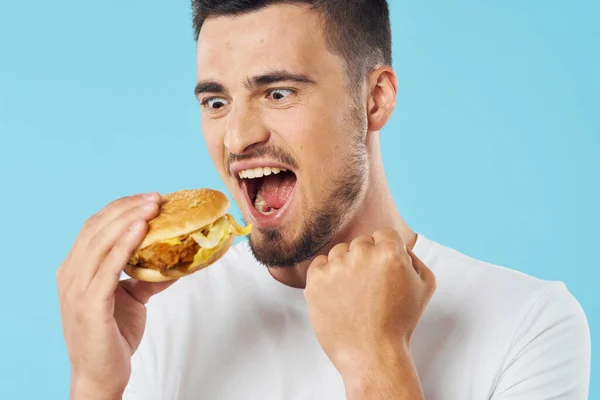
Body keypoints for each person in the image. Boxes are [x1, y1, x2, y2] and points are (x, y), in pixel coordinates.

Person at [56, 1, 591, 399]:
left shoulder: (530, 322)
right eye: (216, 100)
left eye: (278, 93)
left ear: (375, 98)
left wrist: (375, 361)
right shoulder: (154, 315)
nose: (237, 137)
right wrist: (95, 383)